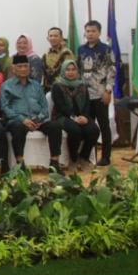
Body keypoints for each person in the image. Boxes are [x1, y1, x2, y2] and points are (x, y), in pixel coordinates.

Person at [0, 54, 63, 174]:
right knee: (17, 127)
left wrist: (37, 119)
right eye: (20, 66)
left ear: (29, 68)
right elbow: (5, 107)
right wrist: (23, 119)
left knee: (55, 126)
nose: (23, 69)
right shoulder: (6, 86)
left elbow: (44, 108)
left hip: (37, 121)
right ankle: (20, 165)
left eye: (25, 66)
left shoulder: (36, 85)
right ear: (13, 69)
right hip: (17, 120)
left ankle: (54, 164)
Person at [77, 20, 116, 166]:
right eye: (88, 31)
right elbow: (78, 71)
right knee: (89, 127)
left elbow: (112, 71)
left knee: (104, 126)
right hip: (85, 95)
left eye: (93, 31)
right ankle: (88, 156)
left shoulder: (106, 49)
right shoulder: (81, 49)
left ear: (99, 32)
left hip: (100, 94)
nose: (90, 34)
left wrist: (108, 90)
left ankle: (106, 157)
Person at [51, 60, 100, 170]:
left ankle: (83, 157)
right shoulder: (57, 86)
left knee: (94, 130)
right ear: (63, 71)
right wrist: (74, 117)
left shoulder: (82, 85)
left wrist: (85, 117)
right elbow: (60, 106)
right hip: (62, 116)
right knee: (75, 130)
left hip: (81, 116)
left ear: (77, 71)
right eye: (68, 70)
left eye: (73, 69)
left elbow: (87, 104)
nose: (71, 72)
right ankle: (73, 159)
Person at [41, 27, 74, 92]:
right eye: (51, 36)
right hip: (48, 89)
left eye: (56, 36)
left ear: (61, 38)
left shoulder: (67, 53)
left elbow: (70, 73)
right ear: (47, 38)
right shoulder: (45, 54)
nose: (53, 38)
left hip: (63, 89)